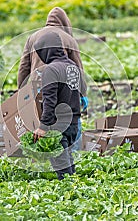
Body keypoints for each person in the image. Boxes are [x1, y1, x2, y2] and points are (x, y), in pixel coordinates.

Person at [18, 7, 87, 151]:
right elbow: (78, 69)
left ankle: (46, 164)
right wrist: (82, 94)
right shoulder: (68, 39)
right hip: (65, 94)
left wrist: (22, 93)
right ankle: (71, 159)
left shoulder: (33, 37)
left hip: (39, 90)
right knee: (68, 127)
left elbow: (24, 67)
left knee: (42, 125)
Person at [32, 31, 87, 180]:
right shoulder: (72, 65)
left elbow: (50, 101)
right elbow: (82, 88)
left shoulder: (51, 69)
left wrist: (43, 127)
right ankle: (77, 190)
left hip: (58, 125)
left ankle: (72, 196)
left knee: (62, 168)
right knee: (68, 159)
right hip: (73, 123)